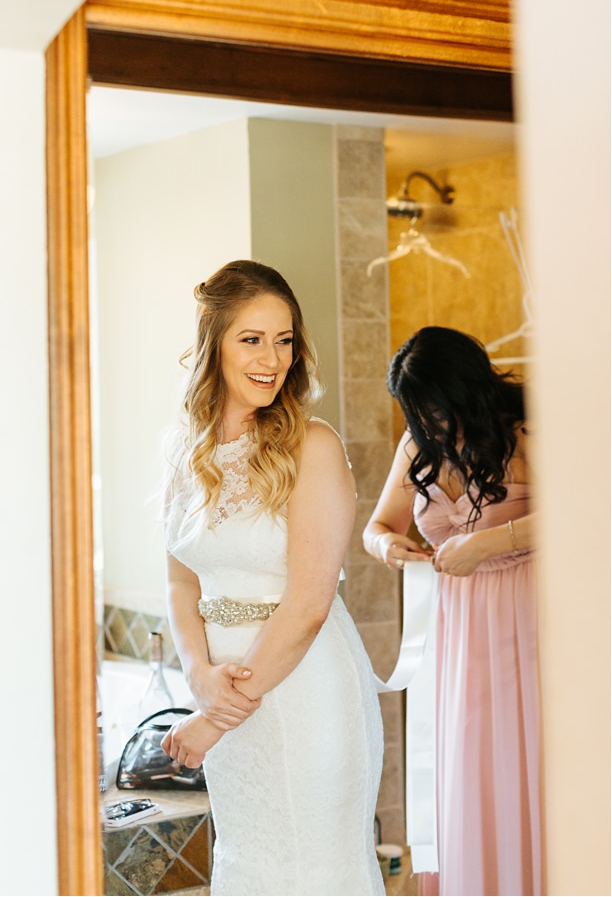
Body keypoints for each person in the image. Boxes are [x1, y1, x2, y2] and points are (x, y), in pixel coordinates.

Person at [158, 260, 384, 896]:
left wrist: (215, 718)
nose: (272, 358)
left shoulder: (312, 445)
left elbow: (311, 604)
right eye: (251, 339)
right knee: (251, 864)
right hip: (226, 693)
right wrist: (200, 675)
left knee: (313, 871)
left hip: (307, 689)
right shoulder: (186, 453)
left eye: (284, 340)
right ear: (214, 346)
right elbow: (181, 586)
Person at [363, 326, 541, 896]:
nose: (428, 423)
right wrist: (388, 547)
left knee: (528, 760)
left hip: (530, 617)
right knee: (470, 768)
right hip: (458, 634)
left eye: (435, 408)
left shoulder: (526, 431)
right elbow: (377, 526)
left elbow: (589, 507)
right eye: (417, 412)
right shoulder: (418, 446)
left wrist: (488, 543)